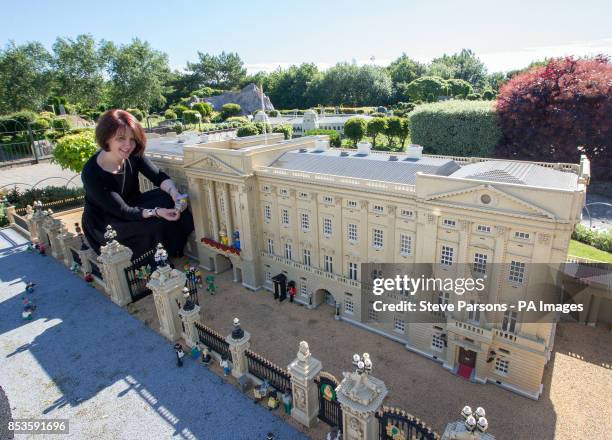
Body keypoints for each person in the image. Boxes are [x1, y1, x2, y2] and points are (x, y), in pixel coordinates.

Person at [81, 109, 194, 259]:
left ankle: (171, 250)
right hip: (107, 220)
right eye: (121, 138)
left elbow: (158, 176)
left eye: (132, 139)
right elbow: (123, 211)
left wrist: (174, 194)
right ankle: (154, 262)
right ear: (106, 137)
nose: (128, 145)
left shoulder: (132, 154)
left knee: (166, 198)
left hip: (132, 204)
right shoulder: (92, 172)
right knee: (153, 224)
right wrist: (157, 212)